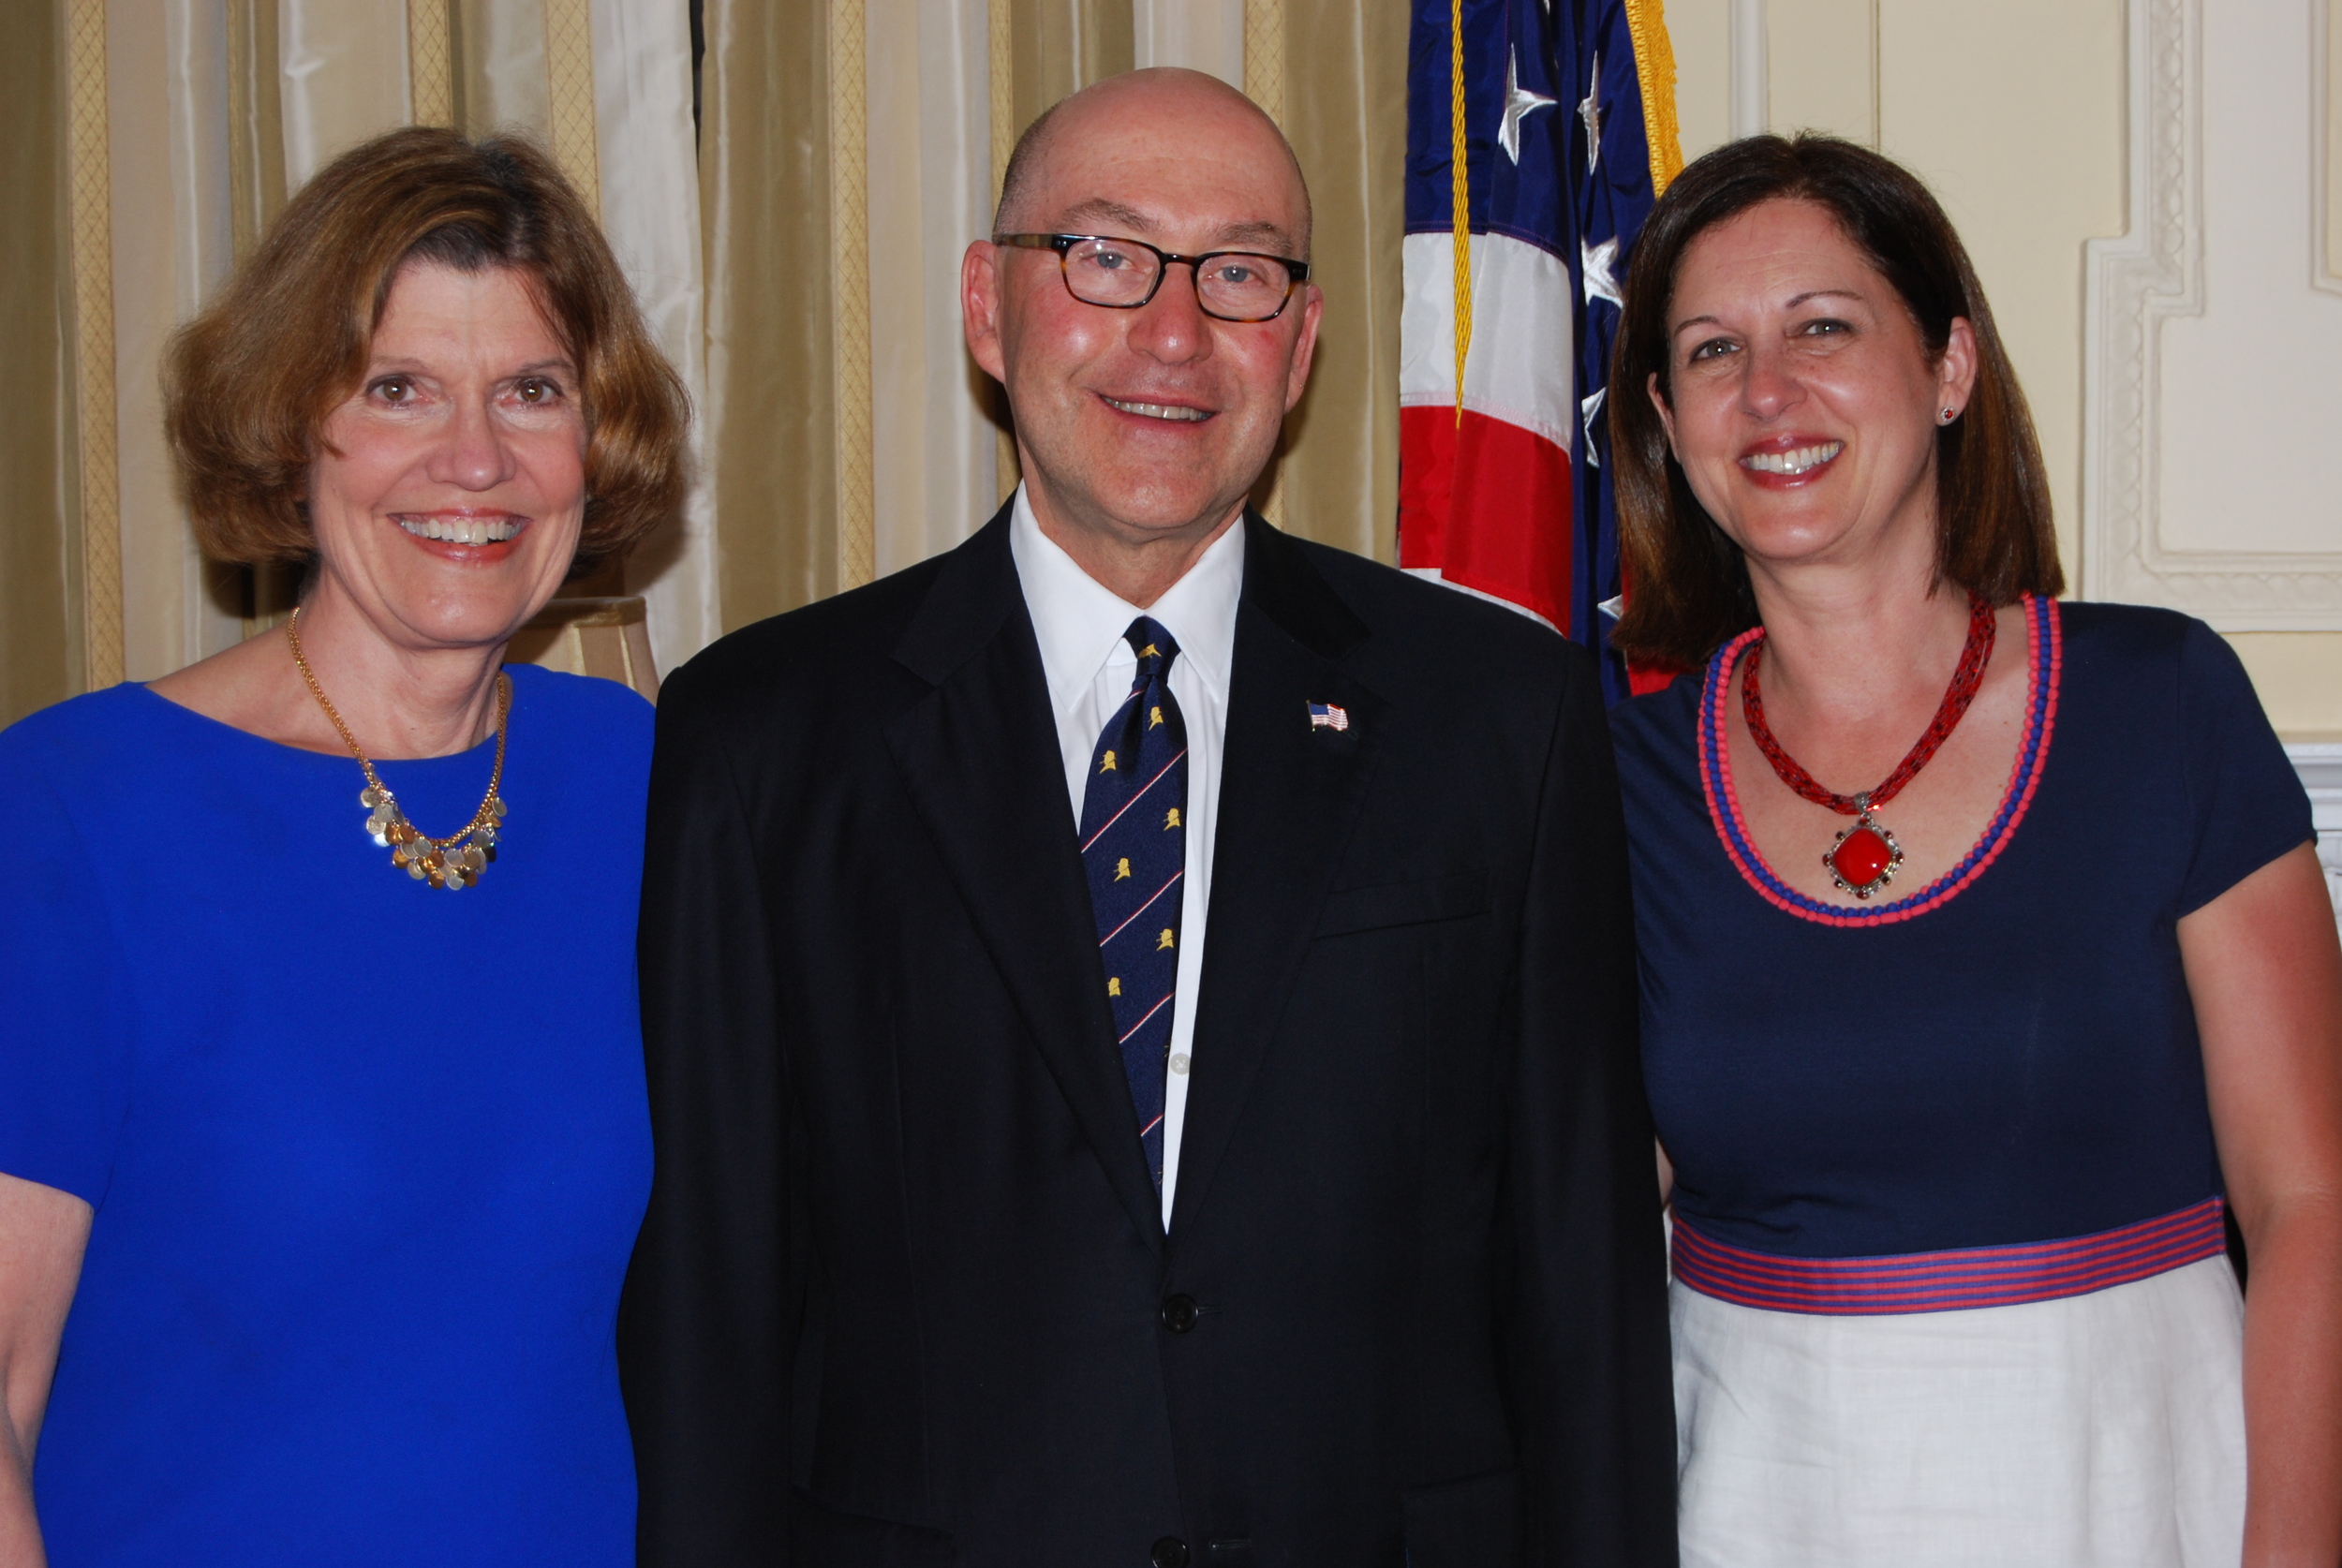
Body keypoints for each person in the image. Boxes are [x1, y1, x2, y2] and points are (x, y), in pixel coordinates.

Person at [620, 67, 1676, 1566]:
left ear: (1300, 346)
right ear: (990, 307)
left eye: (1240, 275)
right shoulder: (766, 738)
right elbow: (713, 1306)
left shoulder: (1501, 716)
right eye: (1107, 258)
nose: (1174, 334)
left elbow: (1586, 1288)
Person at [1606, 133, 2342, 1567]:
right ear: (1663, 420)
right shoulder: (1612, 779)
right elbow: (1579, 1221)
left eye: (1824, 327)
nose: (1768, 394)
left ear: (1948, 367)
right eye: (1711, 352)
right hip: (1758, 1507)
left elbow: (2309, 1201)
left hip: (2136, 1494)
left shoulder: (2160, 704)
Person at [0, 127, 690, 1564]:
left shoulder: (660, 786)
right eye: (399, 389)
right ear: (289, 423)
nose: (475, 460)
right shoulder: (72, 811)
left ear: (593, 437)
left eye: (531, 390)